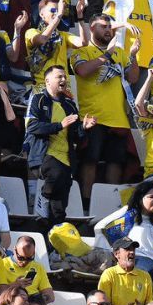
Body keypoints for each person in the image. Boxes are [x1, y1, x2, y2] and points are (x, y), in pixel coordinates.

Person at [73, 13, 139, 200]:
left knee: (116, 163)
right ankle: (86, 202)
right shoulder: (83, 51)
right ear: (92, 28)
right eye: (103, 26)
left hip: (118, 118)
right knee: (89, 161)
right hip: (93, 117)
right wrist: (107, 54)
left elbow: (133, 78)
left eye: (110, 26)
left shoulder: (120, 52)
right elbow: (83, 71)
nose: (108, 30)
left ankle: (111, 203)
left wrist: (133, 56)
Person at [26, 65, 92, 221]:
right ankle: (43, 196)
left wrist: (83, 128)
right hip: (45, 154)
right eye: (59, 77)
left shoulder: (69, 105)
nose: (63, 79)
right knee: (56, 174)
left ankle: (52, 235)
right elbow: (31, 126)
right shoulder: (38, 99)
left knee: (60, 208)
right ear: (48, 81)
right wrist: (59, 125)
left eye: (64, 77)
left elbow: (76, 136)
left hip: (66, 157)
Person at [98, 237, 153, 305]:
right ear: (117, 254)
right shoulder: (109, 274)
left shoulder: (145, 276)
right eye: (127, 249)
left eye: (133, 249)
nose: (132, 252)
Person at [0, 235, 54, 303]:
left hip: (34, 304)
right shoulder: (2, 264)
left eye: (29, 258)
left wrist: (37, 300)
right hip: (12, 303)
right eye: (21, 258)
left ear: (33, 253)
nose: (25, 262)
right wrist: (15, 285)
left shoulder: (38, 267)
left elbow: (50, 296)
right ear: (14, 250)